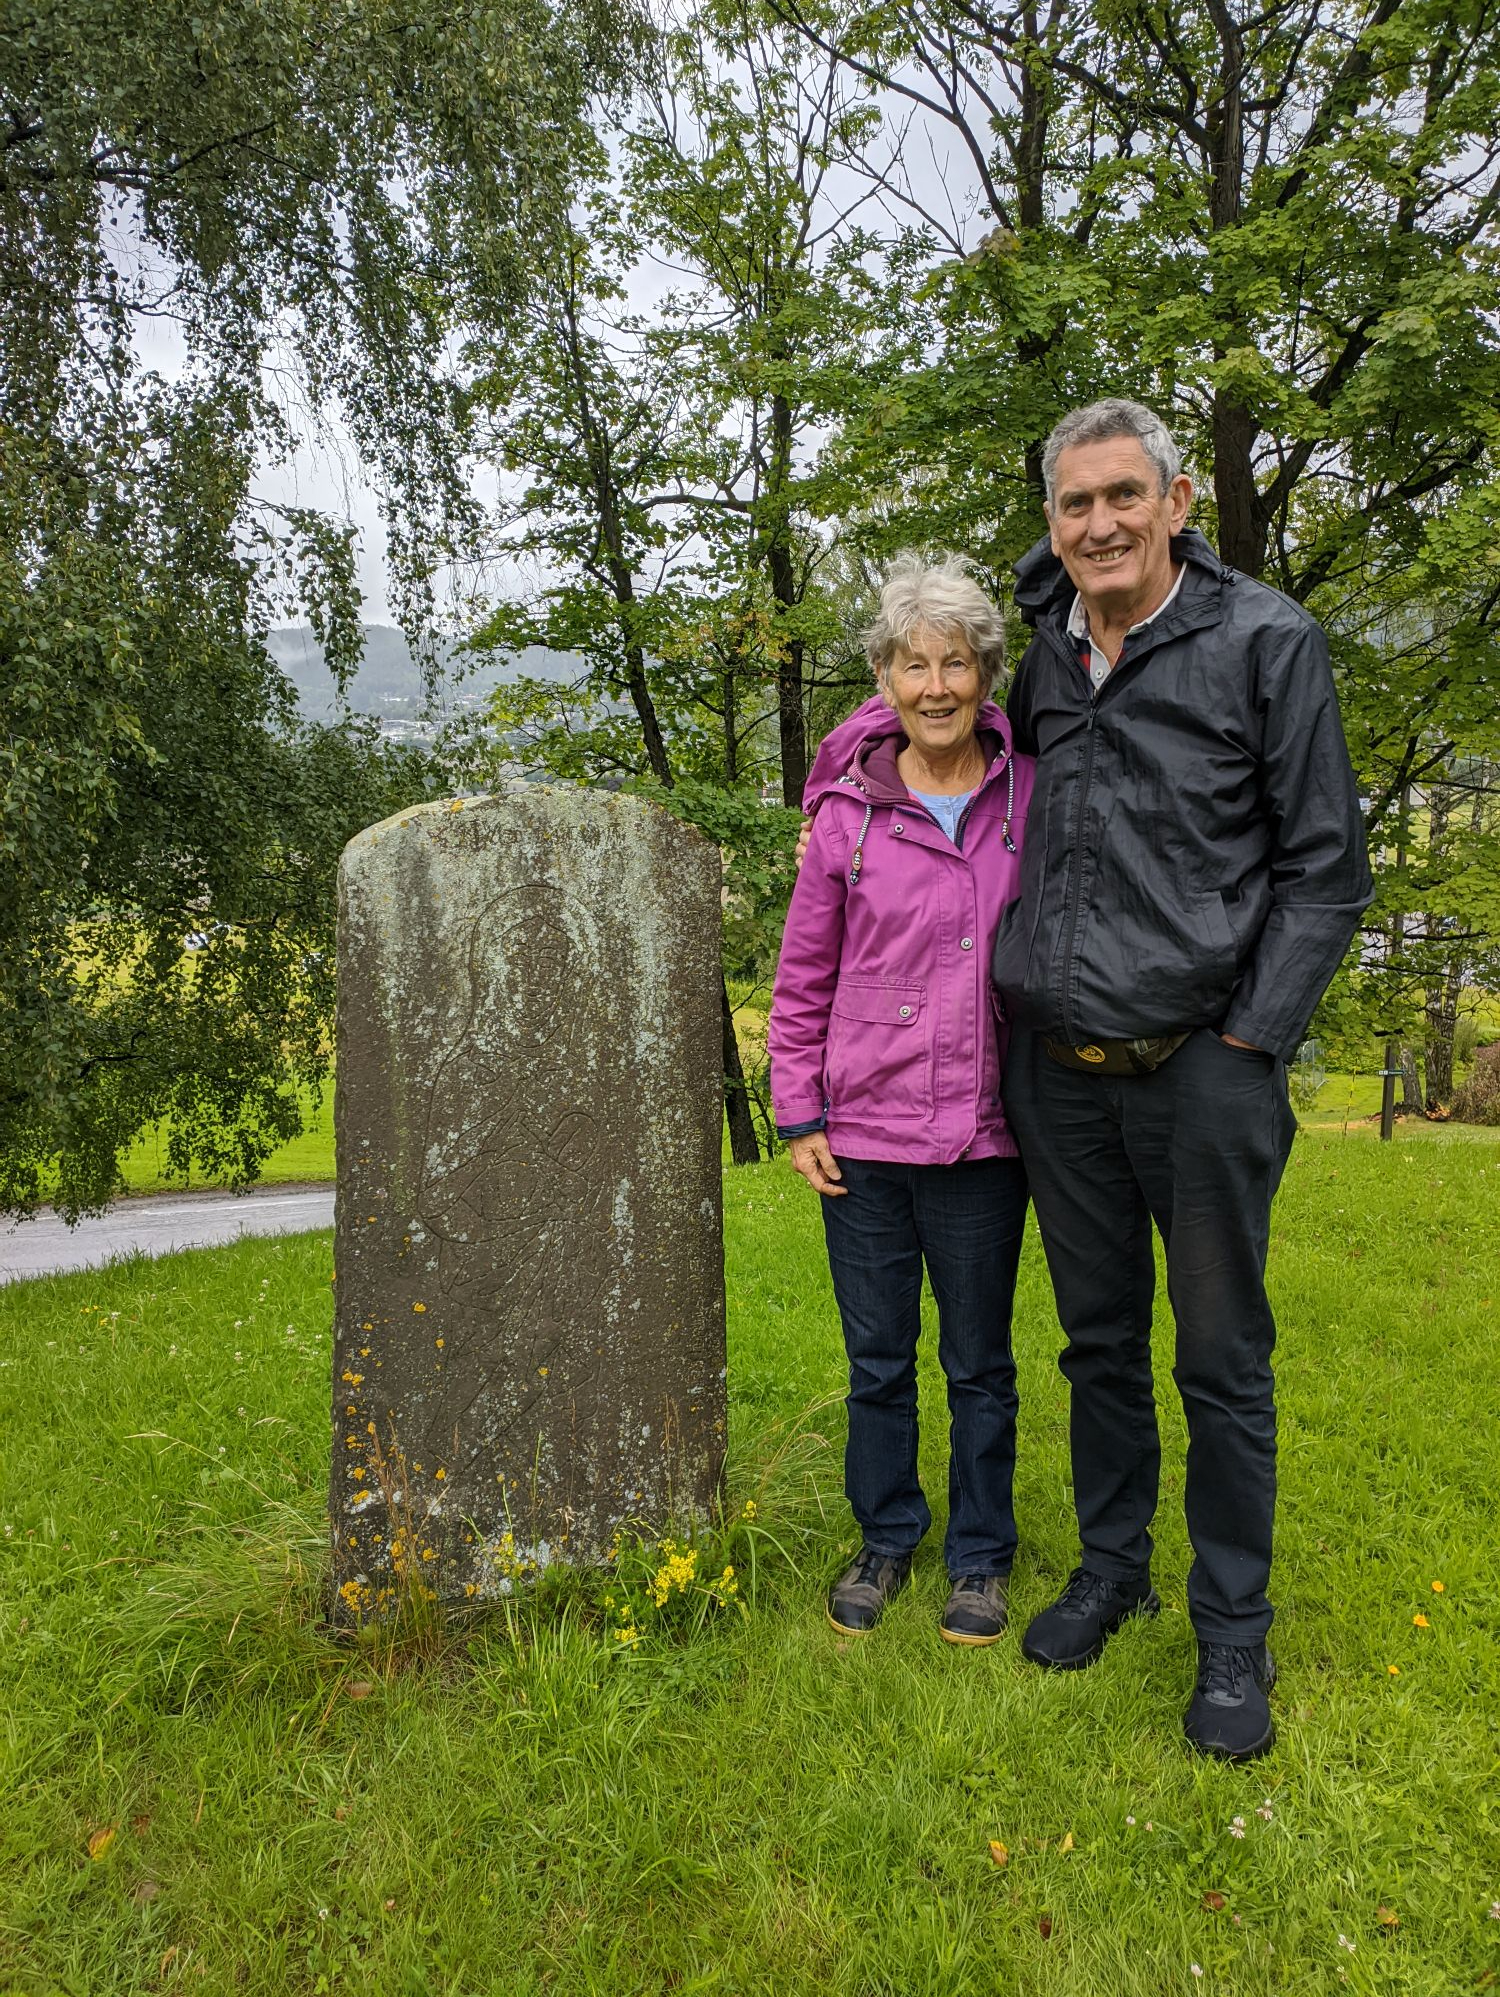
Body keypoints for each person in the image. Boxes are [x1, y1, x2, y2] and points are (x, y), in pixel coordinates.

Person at [799, 400, 1372, 1759]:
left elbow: (1326, 868)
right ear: (1050, 522)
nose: (1102, 522)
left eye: (1125, 495)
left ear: (1177, 502)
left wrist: (1251, 1041)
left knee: (1219, 1357)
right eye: (1075, 503)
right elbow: (930, 721)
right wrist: (844, 764)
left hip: (1207, 1068)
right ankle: (1113, 1568)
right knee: (1097, 1341)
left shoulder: (1265, 643)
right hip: (1058, 1075)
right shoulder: (1047, 654)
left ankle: (1231, 1630)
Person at [769, 554, 1034, 1646]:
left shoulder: (1030, 796)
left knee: (978, 1363)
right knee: (878, 1360)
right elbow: (803, 977)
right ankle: (885, 1535)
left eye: (956, 663)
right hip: (865, 1138)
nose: (936, 686)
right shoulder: (846, 818)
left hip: (986, 1135)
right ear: (884, 678)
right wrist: (799, 1112)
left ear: (986, 676)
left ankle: (980, 1555)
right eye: (914, 664)